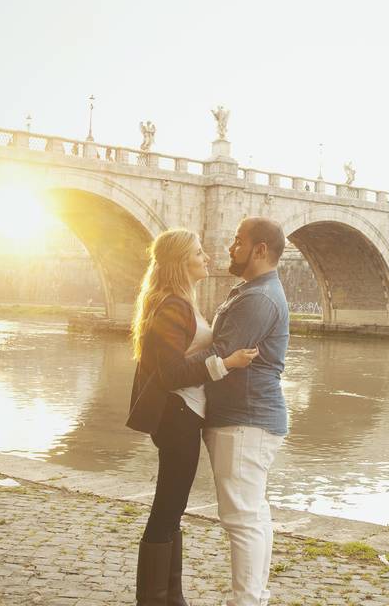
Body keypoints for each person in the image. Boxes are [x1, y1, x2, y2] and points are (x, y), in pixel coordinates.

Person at [126, 228, 259, 606]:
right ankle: (153, 599)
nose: (207, 259)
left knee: (172, 506)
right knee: (167, 506)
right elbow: (169, 374)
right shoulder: (172, 305)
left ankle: (171, 596)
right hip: (176, 414)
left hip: (184, 414)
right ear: (181, 262)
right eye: (200, 254)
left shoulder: (180, 301)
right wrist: (225, 364)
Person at [188, 217, 289, 606]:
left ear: (259, 250)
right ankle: (254, 598)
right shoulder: (251, 291)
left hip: (245, 421)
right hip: (247, 419)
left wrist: (169, 362)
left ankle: (245, 602)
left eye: (237, 241)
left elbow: (221, 354)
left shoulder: (258, 298)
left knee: (242, 520)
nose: (231, 248)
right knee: (253, 517)